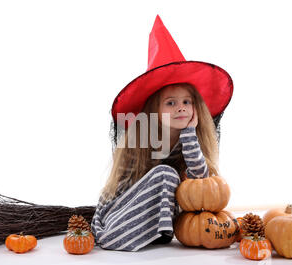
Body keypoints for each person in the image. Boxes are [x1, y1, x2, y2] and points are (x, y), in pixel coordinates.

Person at [90, 15, 233, 252]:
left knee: (176, 178)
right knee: (166, 174)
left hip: (154, 218)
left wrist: (189, 134)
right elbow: (127, 190)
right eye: (171, 103)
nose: (181, 107)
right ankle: (117, 238)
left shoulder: (189, 141)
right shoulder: (141, 138)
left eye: (187, 102)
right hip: (118, 215)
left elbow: (201, 182)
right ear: (154, 110)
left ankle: (156, 232)